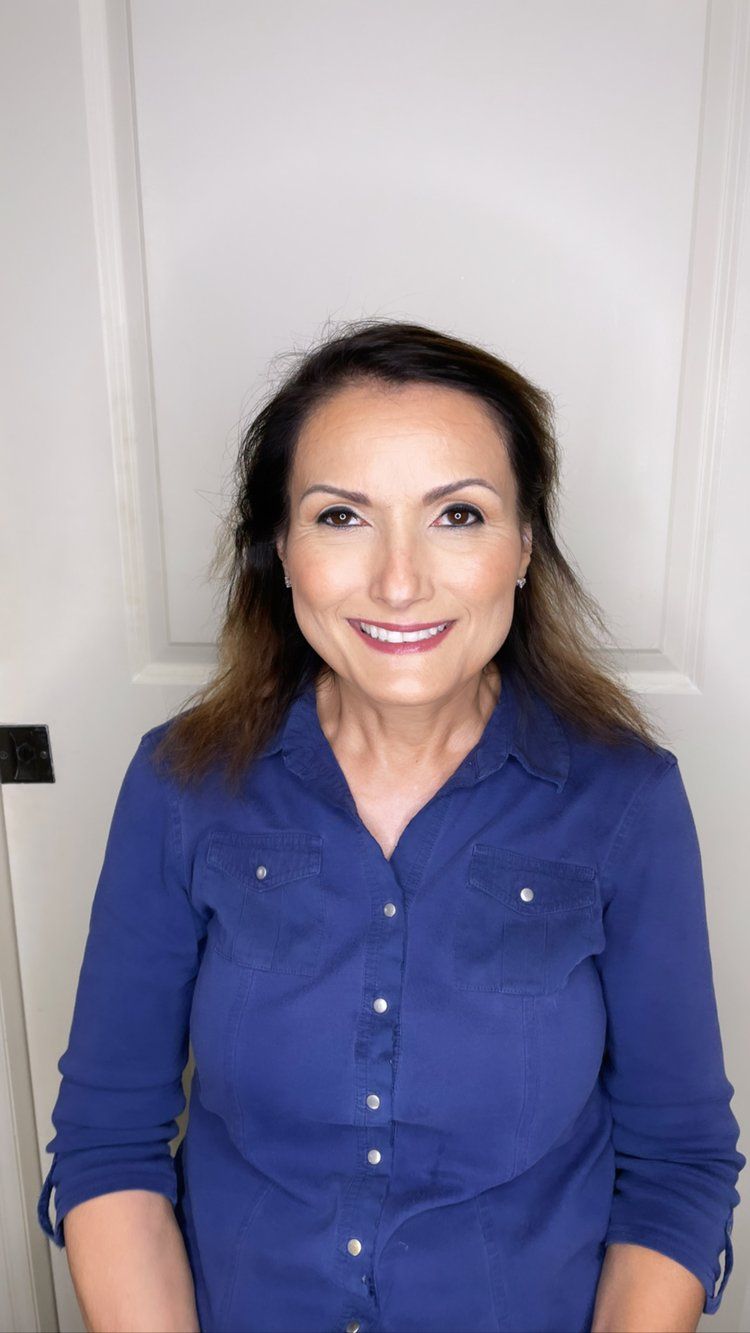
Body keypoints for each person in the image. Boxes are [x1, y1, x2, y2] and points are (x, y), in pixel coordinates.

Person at [37, 319, 744, 1333]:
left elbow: (677, 1164)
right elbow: (110, 1136)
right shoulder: (181, 782)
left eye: (458, 514)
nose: (400, 580)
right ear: (281, 549)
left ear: (525, 543)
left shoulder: (626, 801)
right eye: (341, 518)